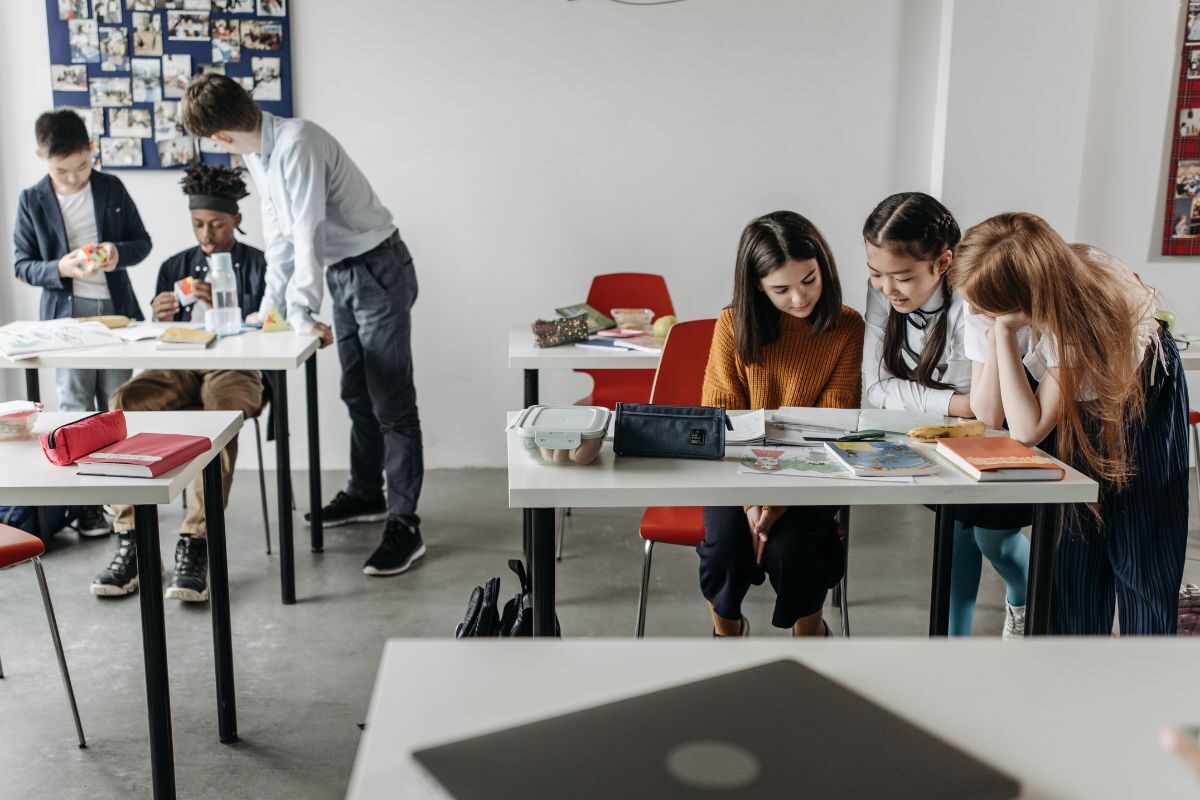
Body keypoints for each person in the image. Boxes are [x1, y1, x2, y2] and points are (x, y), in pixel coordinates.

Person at [180, 74, 425, 577]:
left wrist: (300, 310)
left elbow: (307, 229)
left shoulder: (298, 142)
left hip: (377, 268)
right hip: (344, 272)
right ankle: (365, 494)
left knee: (391, 402)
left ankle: (406, 524)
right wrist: (272, 310)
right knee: (356, 393)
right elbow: (279, 239)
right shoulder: (258, 153)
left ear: (220, 136)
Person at [952, 212, 1189, 635]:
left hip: (1142, 394)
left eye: (984, 306)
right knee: (1073, 550)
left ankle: (1151, 676)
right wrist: (997, 331)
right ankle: (1072, 672)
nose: (972, 309)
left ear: (1024, 299)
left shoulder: (1079, 311)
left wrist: (1004, 334)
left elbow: (1027, 430)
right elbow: (989, 413)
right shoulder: (988, 296)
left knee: (1141, 552)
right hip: (1074, 403)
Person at [91, 164, 267, 601]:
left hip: (236, 365)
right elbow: (155, 338)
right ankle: (131, 538)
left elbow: (273, 326)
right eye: (198, 225)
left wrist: (230, 305)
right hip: (179, 361)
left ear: (237, 221)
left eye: (217, 225)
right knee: (125, 401)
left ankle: (197, 542)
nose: (206, 235)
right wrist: (161, 314)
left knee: (221, 417)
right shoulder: (174, 265)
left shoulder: (260, 264)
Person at [862, 192, 1031, 638]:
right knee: (955, 541)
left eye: (900, 277)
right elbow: (877, 389)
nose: (886, 288)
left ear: (942, 263)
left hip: (1009, 429)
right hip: (946, 436)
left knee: (995, 540)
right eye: (875, 274)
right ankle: (952, 647)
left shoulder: (974, 298)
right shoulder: (885, 292)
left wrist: (956, 404)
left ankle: (1027, 601)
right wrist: (957, 404)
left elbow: (990, 409)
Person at [699, 211, 863, 638]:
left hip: (813, 471)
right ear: (756, 285)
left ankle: (810, 631)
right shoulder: (731, 326)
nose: (799, 297)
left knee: (793, 552)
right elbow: (723, 424)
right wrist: (754, 504)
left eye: (809, 279)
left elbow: (832, 424)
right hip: (734, 473)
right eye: (781, 289)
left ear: (822, 266)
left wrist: (776, 506)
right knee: (726, 553)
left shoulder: (846, 327)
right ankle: (726, 630)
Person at [13, 109, 152, 538]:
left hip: (114, 316)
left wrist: (115, 252)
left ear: (92, 150)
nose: (74, 178)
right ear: (40, 156)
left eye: (82, 166)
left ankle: (119, 501)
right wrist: (61, 267)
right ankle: (85, 506)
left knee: (115, 406)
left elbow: (142, 242)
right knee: (74, 410)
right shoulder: (31, 199)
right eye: (62, 170)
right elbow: (23, 265)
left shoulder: (111, 187)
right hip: (64, 321)